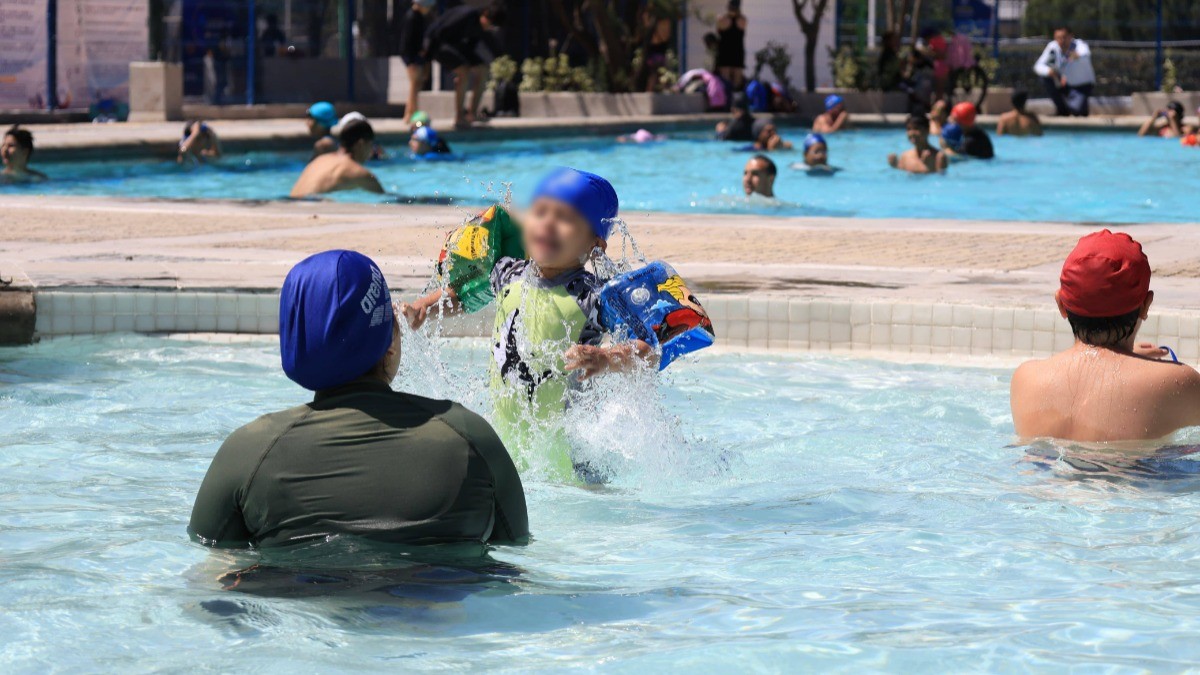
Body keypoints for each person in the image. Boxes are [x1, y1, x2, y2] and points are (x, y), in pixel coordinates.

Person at [188, 249, 528, 548]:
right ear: (391, 343)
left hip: (301, 615)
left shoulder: (248, 453)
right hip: (438, 613)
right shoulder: (469, 436)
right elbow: (515, 550)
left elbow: (213, 578)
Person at [400, 168, 657, 480]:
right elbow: (463, 296)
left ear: (594, 246)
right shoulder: (508, 273)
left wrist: (605, 359)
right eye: (540, 212)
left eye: (564, 217)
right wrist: (422, 309)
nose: (547, 222)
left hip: (570, 458)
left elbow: (647, 350)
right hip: (507, 444)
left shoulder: (595, 297)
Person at [1011, 230, 1200, 442]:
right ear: (1146, 305)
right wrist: (1130, 360)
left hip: (1043, 473)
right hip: (1136, 473)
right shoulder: (1177, 382)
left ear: (1061, 305)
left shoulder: (1025, 378)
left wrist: (1123, 354)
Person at [422, 1, 506, 129]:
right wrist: (427, 59)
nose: (489, 29)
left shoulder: (480, 26)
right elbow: (437, 31)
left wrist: (471, 62)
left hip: (458, 47)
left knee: (483, 70)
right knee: (464, 72)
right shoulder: (466, 14)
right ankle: (459, 117)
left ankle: (472, 113)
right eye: (490, 25)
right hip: (439, 44)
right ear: (485, 14)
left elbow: (470, 46)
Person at [290, 119, 385, 198]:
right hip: (308, 208)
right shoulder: (357, 171)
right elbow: (386, 199)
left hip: (291, 204)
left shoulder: (321, 159)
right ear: (361, 144)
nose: (371, 151)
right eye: (371, 145)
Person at [1033, 26, 1095, 117]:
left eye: (1064, 37)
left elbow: (1085, 53)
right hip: (1064, 84)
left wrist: (1077, 55)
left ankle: (1080, 107)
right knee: (1045, 78)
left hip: (1082, 87)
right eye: (1058, 38)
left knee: (1077, 111)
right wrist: (1049, 71)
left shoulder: (1079, 45)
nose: (1061, 41)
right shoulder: (1053, 47)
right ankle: (1062, 111)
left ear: (1071, 36)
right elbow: (1038, 66)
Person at [398, 0, 437, 125]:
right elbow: (406, 41)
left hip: (416, 57)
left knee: (416, 85)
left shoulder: (419, 17)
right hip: (412, 58)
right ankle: (412, 115)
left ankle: (408, 114)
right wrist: (410, 61)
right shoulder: (412, 17)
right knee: (414, 86)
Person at [715, 0, 747, 91]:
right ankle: (735, 101)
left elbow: (718, 30)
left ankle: (726, 101)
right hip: (738, 52)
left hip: (724, 52)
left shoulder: (721, 19)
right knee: (737, 83)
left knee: (725, 82)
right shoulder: (742, 20)